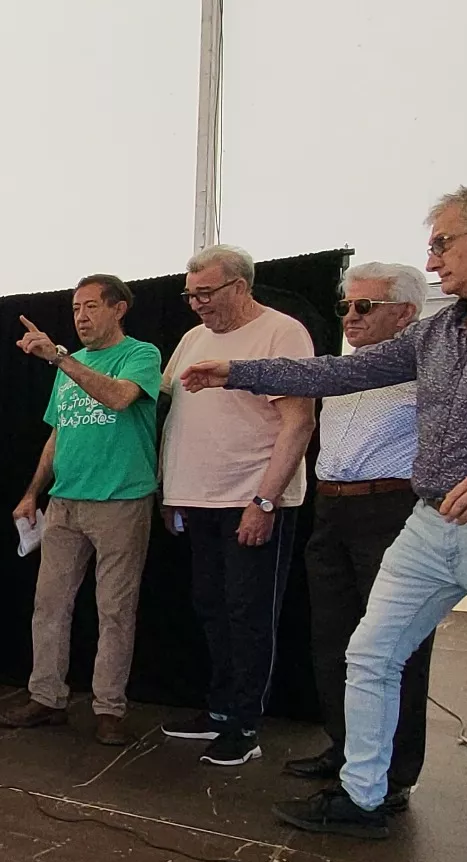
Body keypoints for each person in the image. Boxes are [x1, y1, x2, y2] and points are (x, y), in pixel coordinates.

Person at [182, 182, 467, 837]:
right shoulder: (439, 333)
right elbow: (333, 373)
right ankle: (364, 798)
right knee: (368, 654)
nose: (434, 255)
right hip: (429, 521)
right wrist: (241, 372)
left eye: (445, 240)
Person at [267, 263, 430, 816]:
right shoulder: (341, 370)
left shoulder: (424, 369)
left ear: (405, 312)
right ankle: (345, 752)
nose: (351, 317)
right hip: (332, 507)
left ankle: (394, 775)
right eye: (346, 307)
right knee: (332, 640)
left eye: (365, 306)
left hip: (391, 508)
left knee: (393, 648)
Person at [157, 244, 317, 767]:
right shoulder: (191, 338)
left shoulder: (282, 332)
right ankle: (221, 709)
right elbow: (174, 415)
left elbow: (299, 422)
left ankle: (246, 724)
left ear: (241, 287)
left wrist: (265, 501)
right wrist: (168, 489)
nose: (198, 303)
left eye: (207, 292)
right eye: (191, 294)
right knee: (211, 607)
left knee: (250, 612)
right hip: (195, 498)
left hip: (250, 497)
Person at [0, 275, 162, 746]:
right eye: (75, 309)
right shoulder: (69, 367)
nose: (81, 317)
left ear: (119, 309)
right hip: (66, 501)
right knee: (48, 605)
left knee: (114, 609)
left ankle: (109, 708)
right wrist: (33, 492)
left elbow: (119, 397)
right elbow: (58, 433)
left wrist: (60, 356)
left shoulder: (141, 354)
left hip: (121, 501)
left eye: (91, 306)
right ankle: (46, 697)